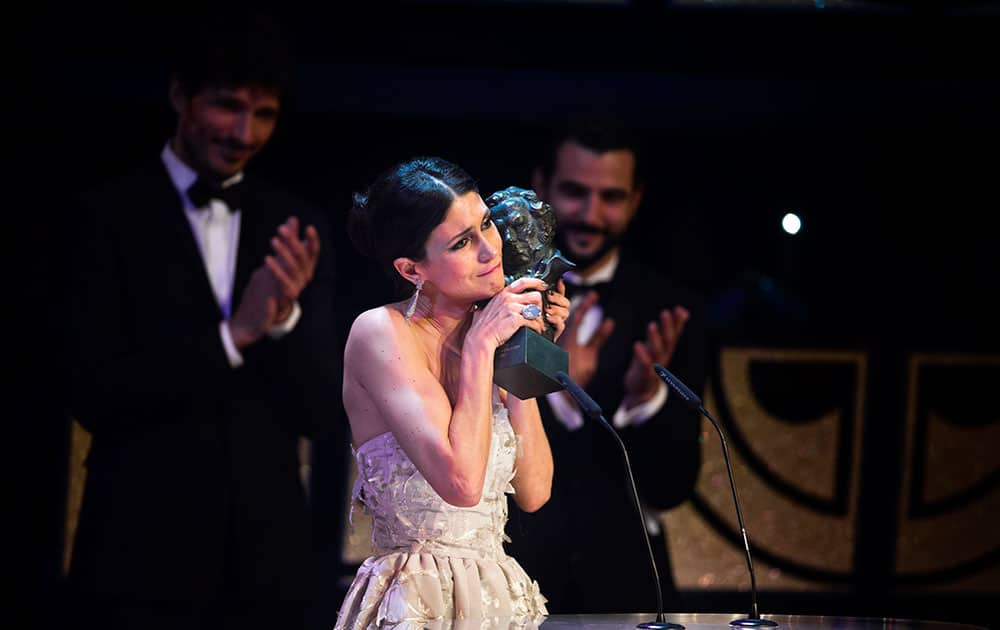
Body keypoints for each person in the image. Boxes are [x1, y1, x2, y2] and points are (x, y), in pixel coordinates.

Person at [62, 12, 340, 630]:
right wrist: (232, 336)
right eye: (226, 106)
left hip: (265, 561)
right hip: (136, 551)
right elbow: (93, 393)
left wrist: (283, 320)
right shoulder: (105, 217)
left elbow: (319, 411)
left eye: (264, 114)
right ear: (179, 96)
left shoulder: (296, 225)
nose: (244, 132)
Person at [334, 156, 571, 628]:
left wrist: (525, 349)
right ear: (410, 268)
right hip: (417, 597)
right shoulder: (381, 332)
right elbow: (461, 484)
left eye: (487, 224)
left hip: (497, 595)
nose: (491, 251)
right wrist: (483, 347)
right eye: (463, 242)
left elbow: (534, 490)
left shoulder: (488, 331)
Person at [503, 115, 707, 613]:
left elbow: (673, 487)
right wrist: (555, 382)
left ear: (636, 200)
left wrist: (647, 401)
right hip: (511, 577)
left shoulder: (670, 311)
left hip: (628, 587)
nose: (591, 214)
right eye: (574, 192)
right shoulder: (492, 296)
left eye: (611, 197)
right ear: (541, 186)